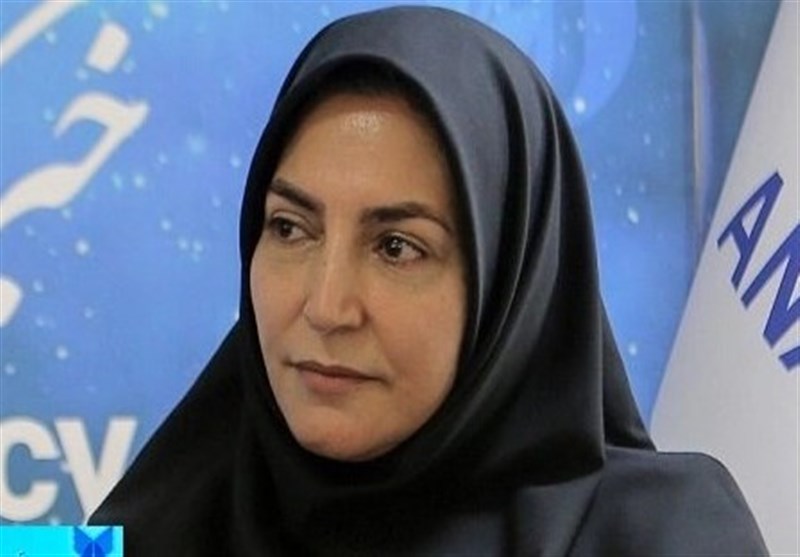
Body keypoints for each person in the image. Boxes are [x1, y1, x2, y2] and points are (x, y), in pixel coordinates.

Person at [91, 6, 768, 555]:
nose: (326, 306)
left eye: (396, 247)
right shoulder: (138, 533)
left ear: (509, 284)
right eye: (291, 228)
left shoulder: (665, 535)